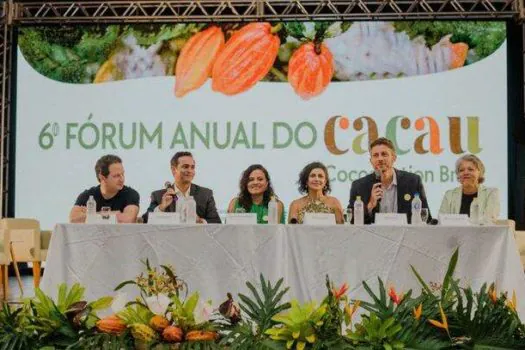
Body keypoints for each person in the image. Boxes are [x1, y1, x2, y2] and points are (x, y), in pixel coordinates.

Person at [348, 137, 431, 224]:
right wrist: (370, 205)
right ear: (371, 161)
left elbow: (426, 217)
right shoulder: (359, 186)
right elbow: (352, 221)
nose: (380, 159)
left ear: (394, 158)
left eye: (384, 154)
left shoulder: (413, 182)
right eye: (375, 155)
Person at [143, 151, 221, 223]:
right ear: (174, 169)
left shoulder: (205, 194)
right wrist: (161, 208)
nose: (190, 170)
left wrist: (200, 221)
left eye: (192, 167)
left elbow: (216, 222)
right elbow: (145, 221)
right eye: (185, 167)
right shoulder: (158, 196)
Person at [70, 154, 139, 223]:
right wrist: (114, 214)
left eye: (122, 174)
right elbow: (73, 219)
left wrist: (90, 215)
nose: (122, 179)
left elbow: (128, 219)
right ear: (102, 177)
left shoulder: (131, 194)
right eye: (116, 176)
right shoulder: (88, 196)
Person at [439, 154, 500, 220]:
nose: (465, 173)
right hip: (453, 230)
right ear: (458, 174)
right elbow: (442, 220)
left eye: (470, 169)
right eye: (461, 170)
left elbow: (489, 219)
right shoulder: (449, 194)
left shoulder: (491, 193)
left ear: (480, 172)